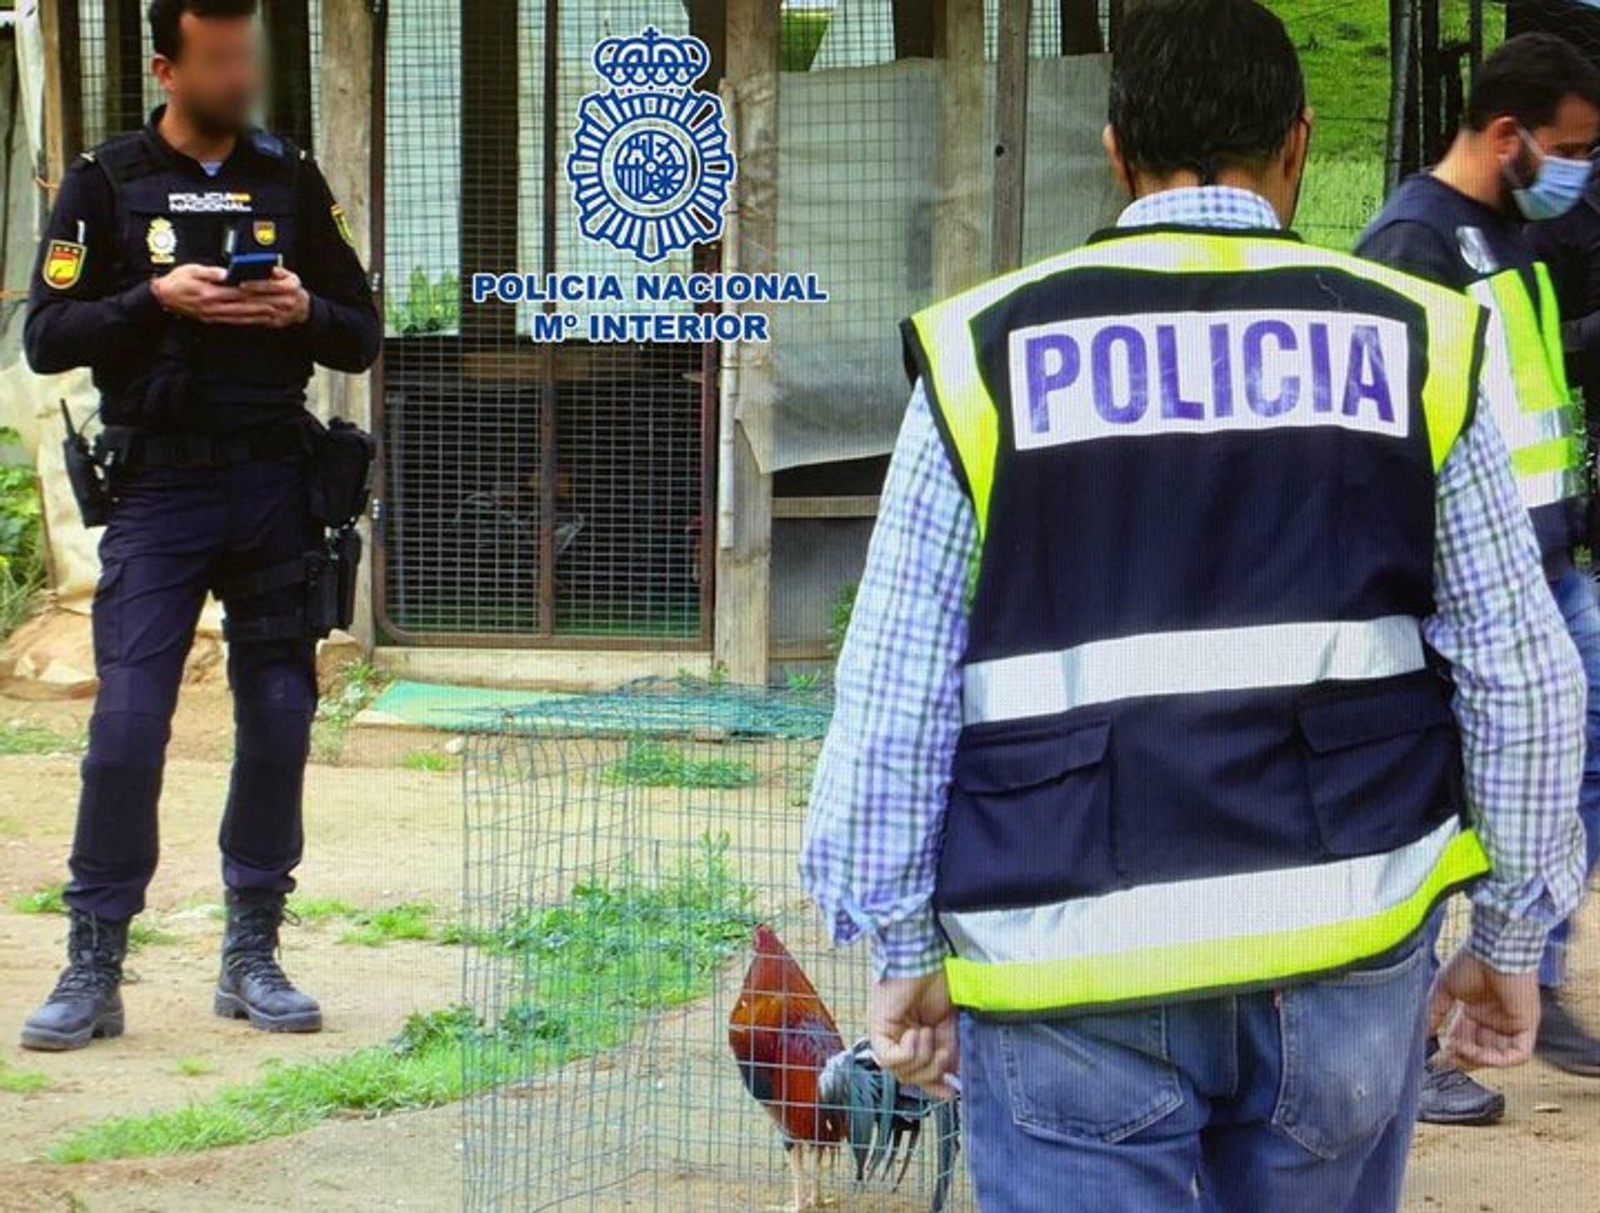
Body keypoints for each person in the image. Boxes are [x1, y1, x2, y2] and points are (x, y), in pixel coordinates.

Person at [800, 2, 1587, 1210]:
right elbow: (1517, 667)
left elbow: (896, 683)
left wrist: (904, 951)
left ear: (1115, 153)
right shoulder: (1418, 340)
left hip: (1063, 965)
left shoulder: (984, 351)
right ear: (1297, 147)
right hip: (1341, 949)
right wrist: (1510, 940)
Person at [18, 0, 379, 1052]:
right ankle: (93, 965)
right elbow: (45, 336)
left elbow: (358, 332)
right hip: (160, 490)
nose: (239, 75)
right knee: (127, 724)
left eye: (247, 55)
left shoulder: (289, 175)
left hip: (274, 482)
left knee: (277, 720)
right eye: (218, 58)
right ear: (166, 67)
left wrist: (301, 311)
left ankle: (252, 953)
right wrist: (157, 300)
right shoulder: (104, 181)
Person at [1357, 34, 1600, 1123]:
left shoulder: (1508, 232)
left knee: (1562, 779)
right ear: (1507, 136)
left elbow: (1523, 388)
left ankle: (1524, 979)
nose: (1577, 171)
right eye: (1569, 149)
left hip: (1548, 562)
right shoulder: (1414, 242)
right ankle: (1411, 1041)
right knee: (1457, 811)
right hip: (1468, 589)